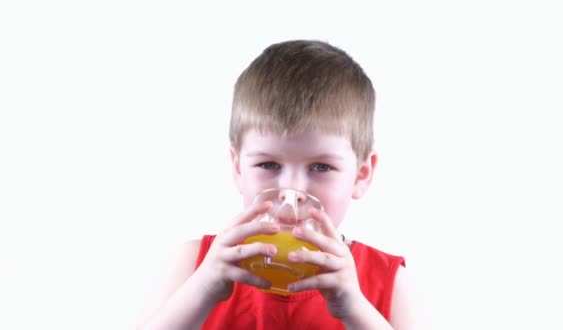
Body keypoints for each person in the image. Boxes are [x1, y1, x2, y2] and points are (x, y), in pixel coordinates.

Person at [136, 40, 418, 329]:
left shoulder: (388, 283)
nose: (291, 194)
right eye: (269, 165)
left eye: (321, 167)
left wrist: (355, 309)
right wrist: (205, 288)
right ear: (238, 168)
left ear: (361, 175)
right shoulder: (195, 264)